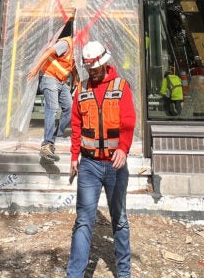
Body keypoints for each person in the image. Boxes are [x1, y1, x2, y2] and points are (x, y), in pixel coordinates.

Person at [67, 41, 136, 278]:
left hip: (115, 166)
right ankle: (74, 274)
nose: (92, 72)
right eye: (89, 68)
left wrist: (124, 149)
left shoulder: (121, 86)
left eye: (95, 68)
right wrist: (74, 156)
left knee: (119, 219)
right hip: (89, 165)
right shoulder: (82, 89)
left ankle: (124, 272)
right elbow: (76, 124)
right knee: (84, 221)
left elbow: (128, 121)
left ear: (105, 63)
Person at [26, 21, 77, 162]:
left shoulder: (76, 48)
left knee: (70, 108)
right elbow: (48, 52)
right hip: (49, 77)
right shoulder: (66, 43)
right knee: (52, 108)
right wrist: (36, 69)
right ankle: (47, 144)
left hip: (61, 81)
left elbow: (71, 65)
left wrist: (76, 78)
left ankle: (57, 136)